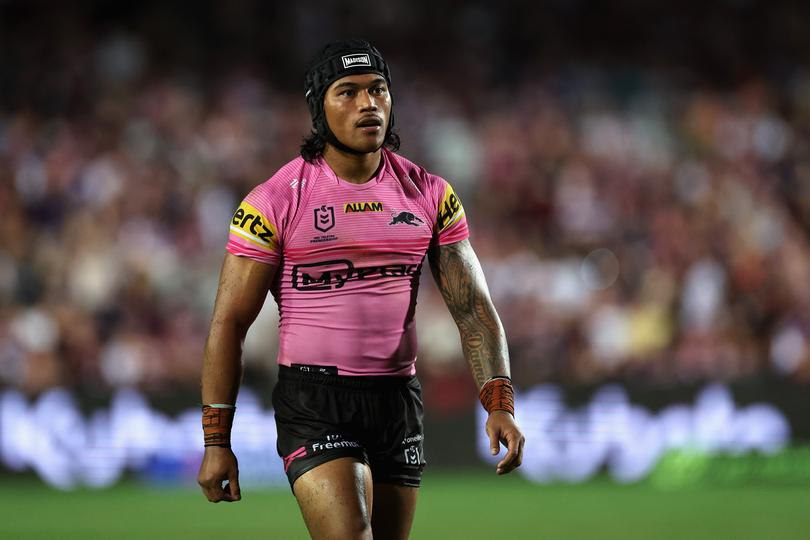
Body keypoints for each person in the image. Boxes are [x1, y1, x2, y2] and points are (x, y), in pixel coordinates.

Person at [197, 39, 525, 540]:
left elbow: (473, 309)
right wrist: (216, 440)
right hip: (314, 400)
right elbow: (229, 324)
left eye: (377, 90)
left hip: (397, 400)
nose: (367, 103)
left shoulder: (429, 194)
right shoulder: (274, 202)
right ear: (318, 109)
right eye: (346, 92)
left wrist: (499, 402)